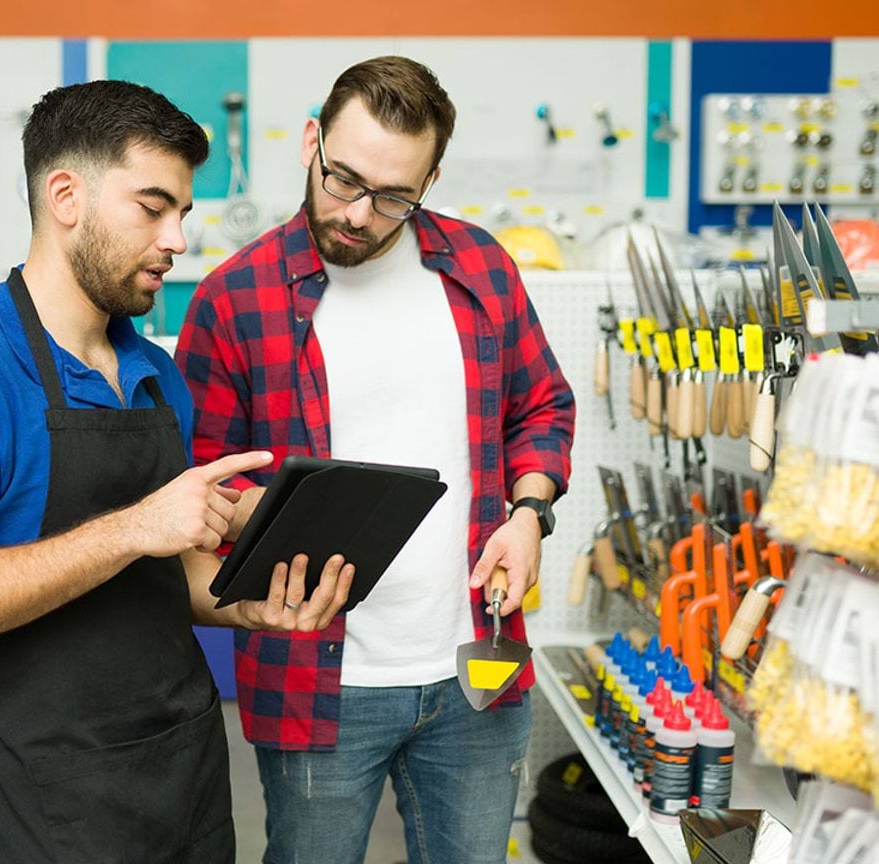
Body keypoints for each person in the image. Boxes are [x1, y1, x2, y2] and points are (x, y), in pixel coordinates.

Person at [0, 80, 355, 864]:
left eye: (183, 215)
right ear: (66, 196)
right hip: (46, 801)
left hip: (186, 777)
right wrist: (136, 527)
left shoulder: (155, 373)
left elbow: (172, 577)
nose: (177, 240)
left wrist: (248, 605)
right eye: (152, 207)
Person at [175, 56, 577, 864]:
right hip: (316, 680)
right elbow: (197, 484)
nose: (358, 214)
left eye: (393, 196)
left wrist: (530, 514)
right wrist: (257, 509)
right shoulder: (233, 298)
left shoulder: (481, 269)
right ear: (311, 142)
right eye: (342, 179)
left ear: (432, 179)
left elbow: (541, 407)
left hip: (475, 666)